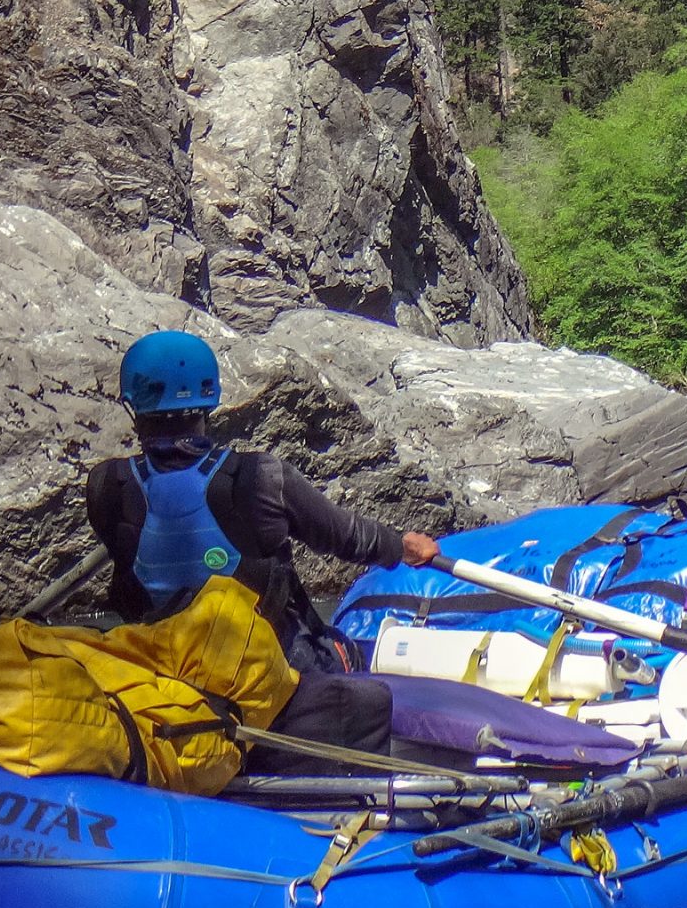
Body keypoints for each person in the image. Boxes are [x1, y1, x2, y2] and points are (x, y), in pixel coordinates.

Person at [87, 331, 440, 773]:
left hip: (166, 674)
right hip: (273, 674)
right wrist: (401, 546)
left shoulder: (106, 487)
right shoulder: (258, 478)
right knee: (344, 653)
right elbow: (346, 537)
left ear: (133, 406)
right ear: (210, 401)